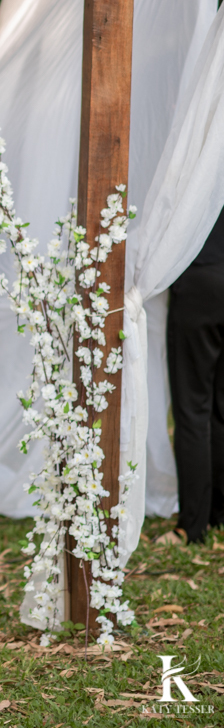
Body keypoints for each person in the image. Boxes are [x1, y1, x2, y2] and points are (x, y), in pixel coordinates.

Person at [165, 206, 224, 545]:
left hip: (201, 278)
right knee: (220, 409)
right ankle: (218, 512)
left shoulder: (196, 155)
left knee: (192, 409)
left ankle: (192, 526)